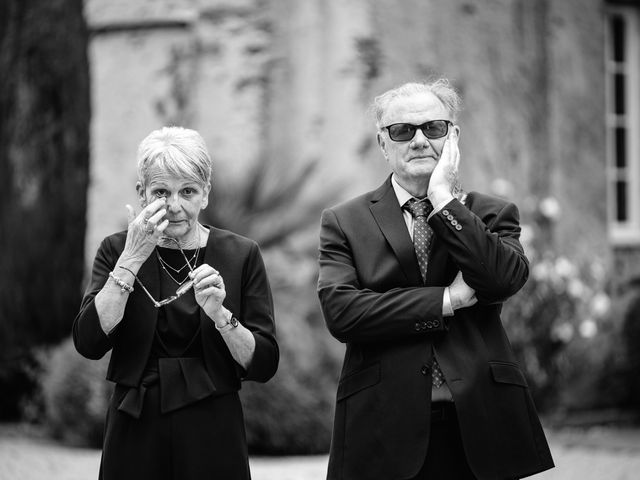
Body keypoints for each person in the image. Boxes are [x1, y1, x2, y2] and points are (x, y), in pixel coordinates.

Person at [317, 79, 554, 480]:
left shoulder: (491, 214)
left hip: (482, 423)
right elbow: (343, 314)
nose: (419, 140)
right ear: (383, 143)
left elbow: (502, 280)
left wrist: (443, 201)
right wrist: (447, 299)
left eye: (434, 128)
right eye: (403, 131)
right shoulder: (344, 221)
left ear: (453, 136)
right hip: (382, 426)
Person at [73, 126, 278, 480]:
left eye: (188, 191)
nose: (175, 205)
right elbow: (89, 342)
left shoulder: (242, 254)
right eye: (161, 192)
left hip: (214, 424)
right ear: (142, 194)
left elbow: (263, 363)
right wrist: (132, 258)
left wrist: (221, 315)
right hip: (134, 422)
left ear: (206, 194)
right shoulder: (116, 249)